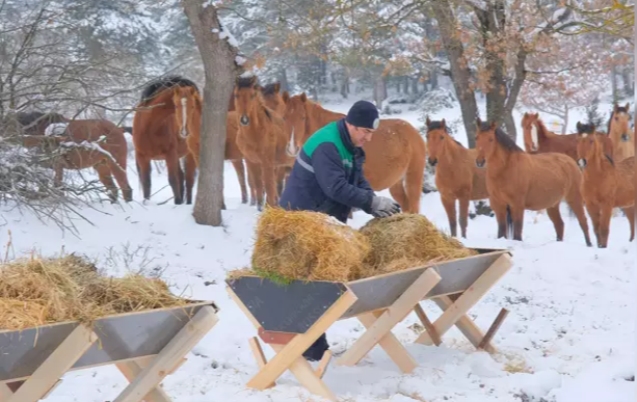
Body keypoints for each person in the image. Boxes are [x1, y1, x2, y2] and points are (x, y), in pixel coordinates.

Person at [279, 99, 401, 361]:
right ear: (351, 124)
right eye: (365, 132)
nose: (368, 138)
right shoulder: (328, 145)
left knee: (323, 283)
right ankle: (310, 348)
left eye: (371, 133)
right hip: (302, 218)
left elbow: (356, 180)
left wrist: (373, 203)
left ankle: (315, 348)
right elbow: (335, 188)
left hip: (324, 220)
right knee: (312, 283)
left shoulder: (352, 146)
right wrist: (371, 201)